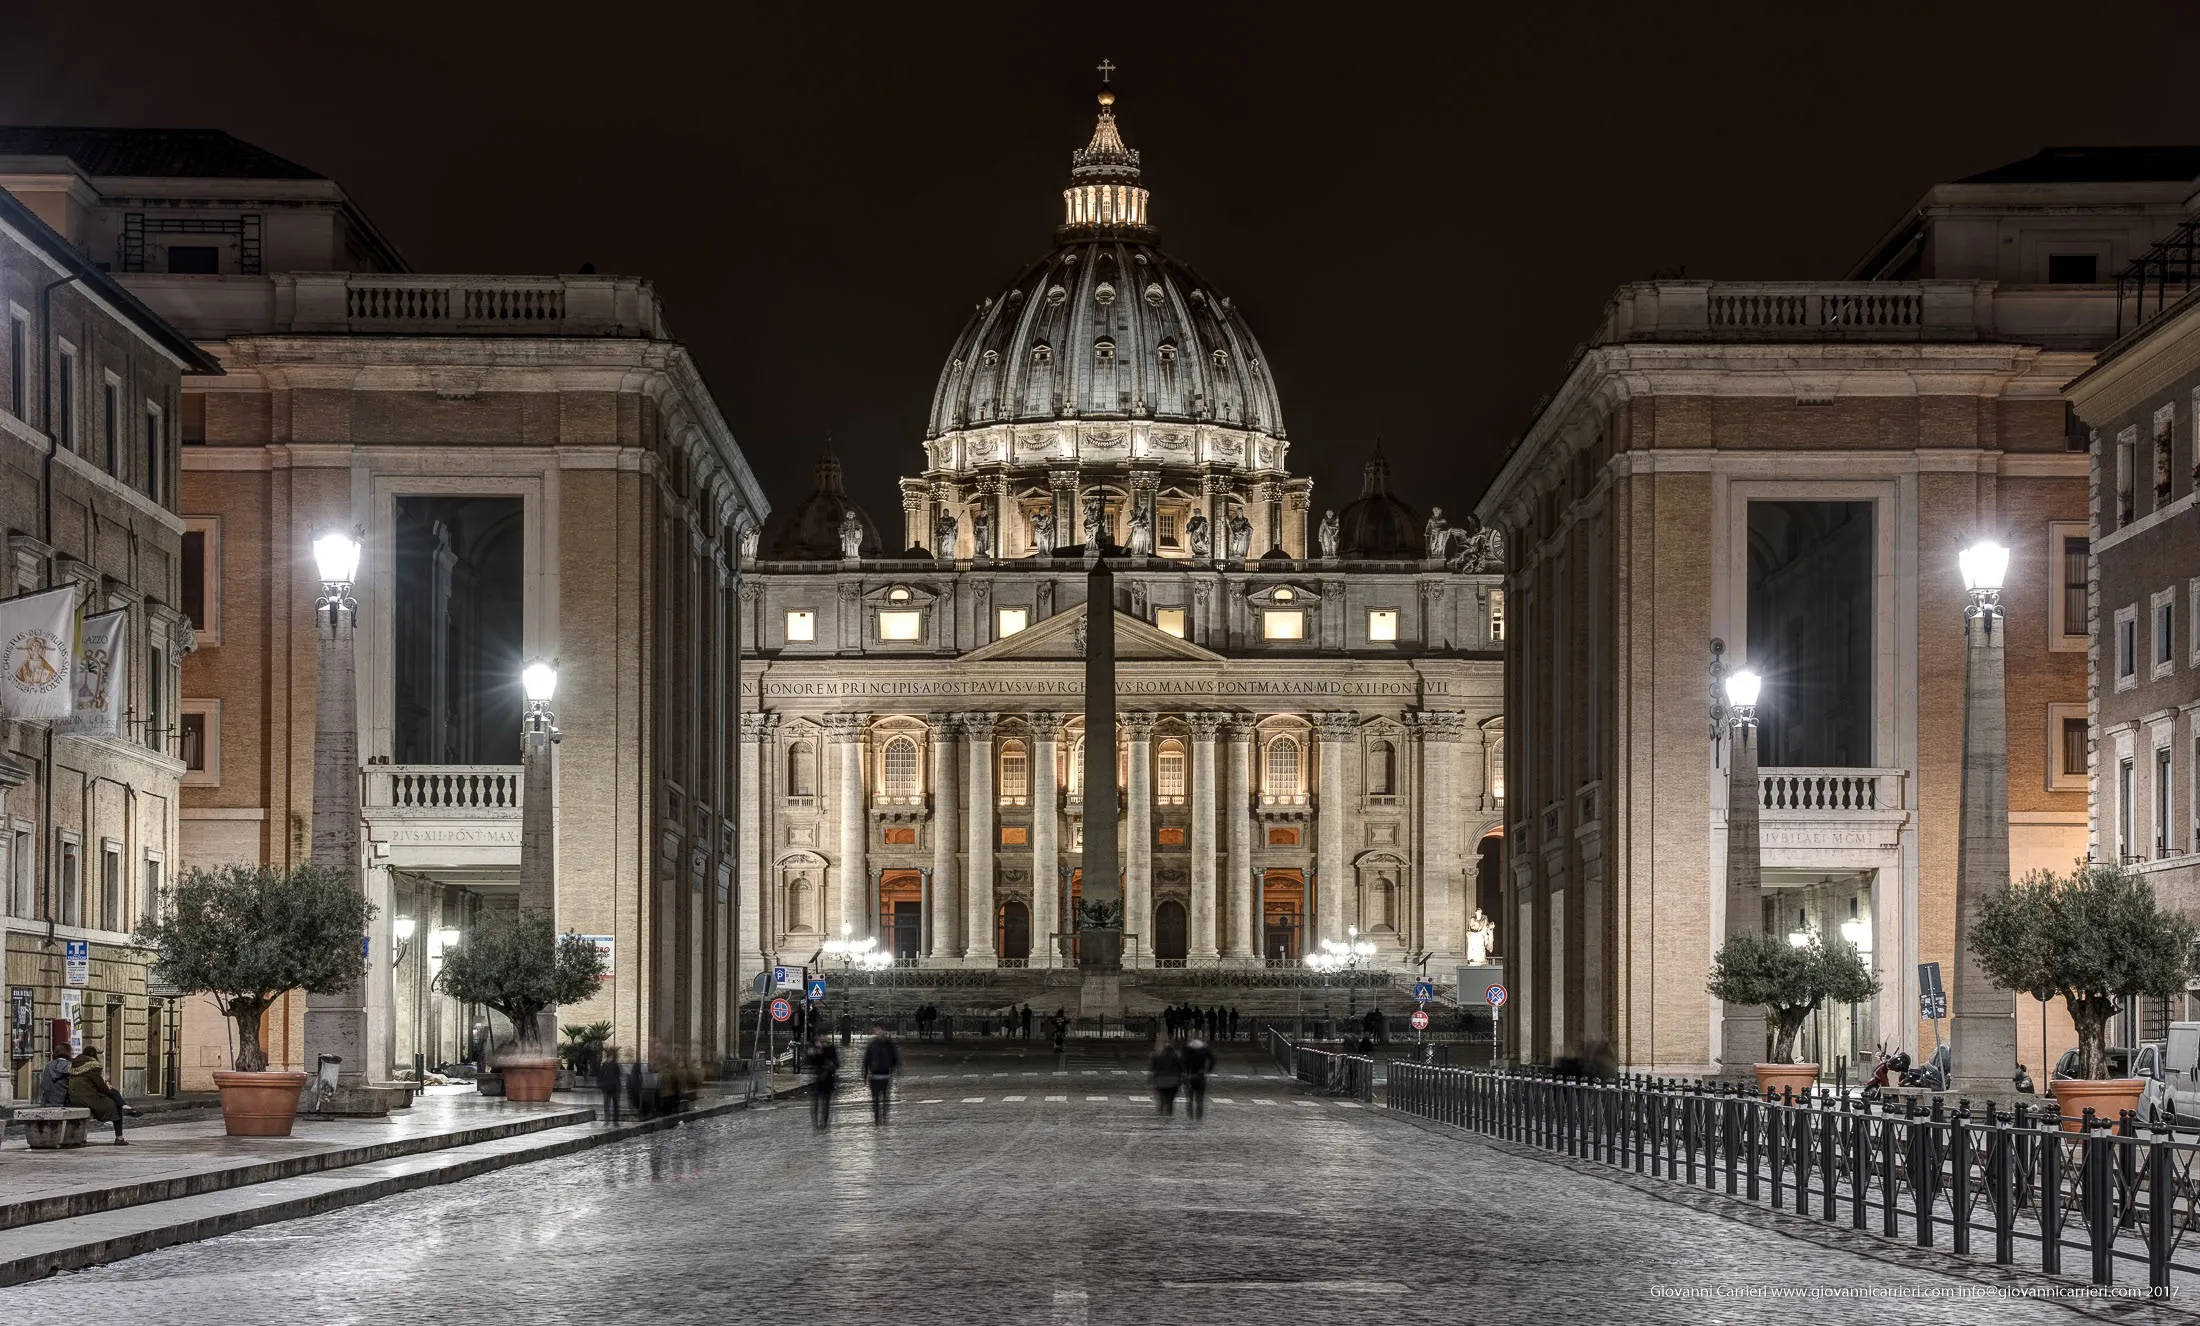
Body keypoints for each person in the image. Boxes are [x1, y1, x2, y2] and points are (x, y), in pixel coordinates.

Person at [67, 1045, 137, 1145]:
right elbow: (101, 1087)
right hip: (89, 1099)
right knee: (115, 1105)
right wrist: (107, 1087)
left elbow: (87, 1084)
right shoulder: (93, 1067)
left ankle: (124, 1106)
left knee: (113, 1094)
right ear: (94, 1056)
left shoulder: (74, 1065)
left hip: (74, 1098)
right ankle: (119, 1137)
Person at [861, 1024, 900, 1125]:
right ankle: (877, 1118)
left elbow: (895, 1057)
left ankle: (884, 1117)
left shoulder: (889, 1044)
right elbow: (866, 1059)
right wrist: (865, 1075)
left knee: (885, 1098)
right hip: (874, 1075)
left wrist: (895, 1069)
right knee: (876, 1099)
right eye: (876, 1030)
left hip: (886, 1075)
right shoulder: (872, 1044)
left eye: (880, 1030)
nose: (878, 1032)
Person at [806, 1033, 840, 1130]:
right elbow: (809, 1063)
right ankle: (816, 1124)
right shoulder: (813, 1049)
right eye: (820, 1036)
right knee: (815, 1103)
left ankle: (824, 1123)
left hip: (827, 1079)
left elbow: (837, 1063)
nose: (822, 1038)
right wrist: (812, 1054)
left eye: (824, 1036)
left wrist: (831, 1064)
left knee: (826, 1103)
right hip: (816, 1079)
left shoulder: (830, 1048)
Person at [1149, 1035, 1184, 1116]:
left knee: (1162, 1097)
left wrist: (1150, 1079)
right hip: (1173, 1081)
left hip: (1160, 1081)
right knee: (1170, 1100)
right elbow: (1182, 1069)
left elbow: (1153, 1068)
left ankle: (1161, 1108)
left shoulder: (1157, 1056)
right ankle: (1169, 1111)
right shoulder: (1177, 1057)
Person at [1182, 1035, 1215, 1121]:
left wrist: (1185, 1072)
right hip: (1200, 1075)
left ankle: (1190, 1118)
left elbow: (1182, 1062)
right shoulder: (1204, 1049)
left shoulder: (1187, 1049)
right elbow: (1213, 1059)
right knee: (1200, 1099)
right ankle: (1198, 1118)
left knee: (1189, 1099)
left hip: (1190, 1076)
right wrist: (1208, 1069)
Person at [595, 1047, 625, 1125]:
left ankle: (611, 1121)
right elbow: (602, 1076)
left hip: (611, 1088)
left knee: (611, 1105)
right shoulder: (608, 1065)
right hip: (610, 1088)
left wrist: (600, 1084)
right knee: (610, 1105)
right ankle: (611, 1121)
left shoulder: (611, 1065)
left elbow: (601, 1076)